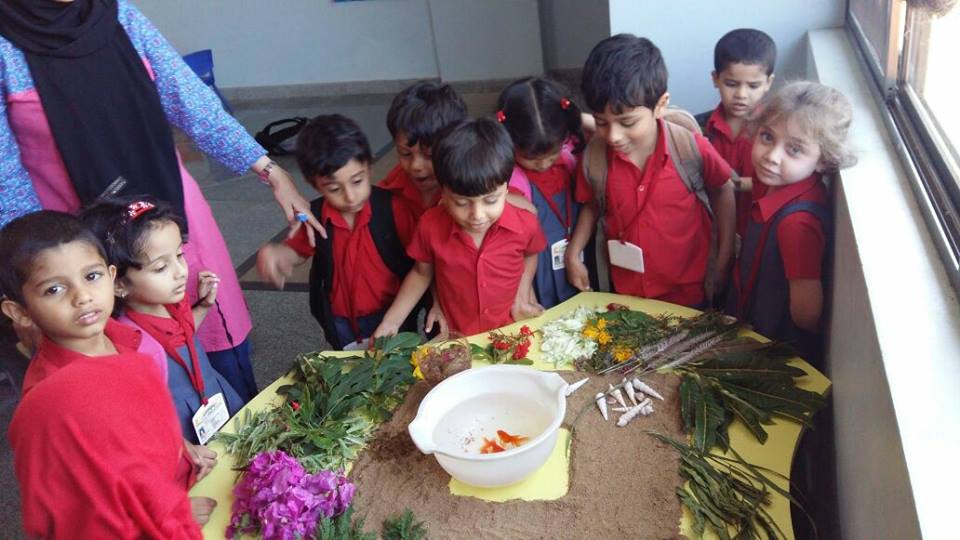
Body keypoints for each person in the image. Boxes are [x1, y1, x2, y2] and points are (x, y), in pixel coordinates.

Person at [0, 0, 323, 401]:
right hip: (76, 244)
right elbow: (5, 177)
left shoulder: (120, 16)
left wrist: (271, 171)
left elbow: (189, 100)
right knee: (125, 370)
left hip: (169, 217)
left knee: (204, 322)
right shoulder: (6, 45)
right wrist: (31, 276)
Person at [0, 211, 206, 538]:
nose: (82, 297)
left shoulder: (121, 338)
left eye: (92, 276)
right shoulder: (59, 402)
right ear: (19, 311)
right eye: (54, 289)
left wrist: (179, 446)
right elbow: (83, 518)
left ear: (112, 276)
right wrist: (174, 511)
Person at [566, 34, 737, 308]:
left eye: (627, 122)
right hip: (626, 295)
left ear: (660, 104)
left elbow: (723, 188)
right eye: (601, 122)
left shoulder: (688, 148)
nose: (613, 135)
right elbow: (592, 206)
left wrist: (724, 255)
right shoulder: (595, 159)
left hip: (690, 293)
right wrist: (573, 254)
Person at [80, 196, 245, 444]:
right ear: (119, 284)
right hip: (181, 428)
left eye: (179, 254)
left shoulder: (170, 304)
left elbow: (181, 338)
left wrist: (202, 307)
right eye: (160, 268)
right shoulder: (129, 341)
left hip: (211, 396)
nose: (181, 271)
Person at [255, 115, 420, 349]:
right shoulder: (315, 216)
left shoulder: (393, 208)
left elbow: (420, 263)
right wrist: (279, 254)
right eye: (334, 188)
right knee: (351, 372)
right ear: (315, 184)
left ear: (368, 166)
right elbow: (299, 249)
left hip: (392, 313)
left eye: (357, 181)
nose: (350, 196)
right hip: (342, 321)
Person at [373, 117, 546, 338]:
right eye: (462, 203)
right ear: (443, 193)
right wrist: (392, 321)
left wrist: (522, 293)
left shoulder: (525, 223)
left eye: (490, 201)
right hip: (458, 339)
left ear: (506, 188)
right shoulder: (430, 225)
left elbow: (530, 254)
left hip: (510, 333)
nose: (477, 215)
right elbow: (420, 273)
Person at [726, 81, 855, 364]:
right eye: (767, 137)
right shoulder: (776, 182)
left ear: (824, 160)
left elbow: (806, 312)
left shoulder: (796, 224)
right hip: (751, 325)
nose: (771, 157)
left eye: (794, 150)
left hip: (774, 349)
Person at [496, 77, 590, 308]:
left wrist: (577, 116)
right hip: (537, 270)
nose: (543, 164)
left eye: (552, 153)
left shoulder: (575, 154)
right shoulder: (510, 180)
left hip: (577, 253)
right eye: (530, 157)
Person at [698, 28, 777, 236]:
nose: (741, 95)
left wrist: (731, 184)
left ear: (768, 83)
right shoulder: (699, 129)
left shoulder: (775, 133)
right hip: (709, 231)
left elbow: (780, 180)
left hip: (756, 232)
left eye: (753, 86)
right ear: (716, 79)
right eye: (731, 84)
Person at [378, 81, 469, 221]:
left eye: (429, 155)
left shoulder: (473, 194)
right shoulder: (391, 189)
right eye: (405, 153)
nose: (416, 166)